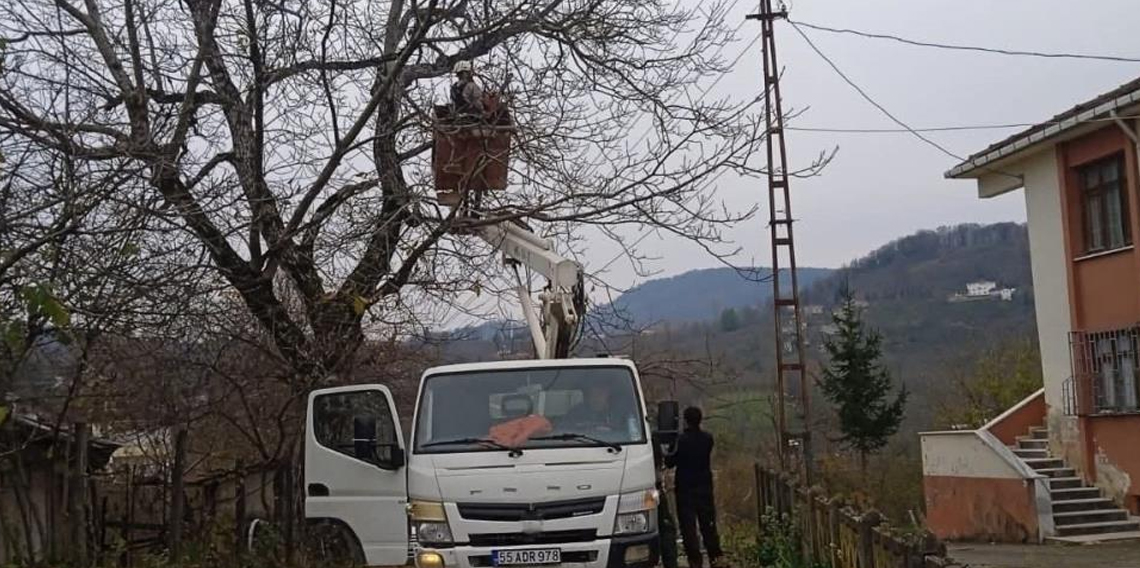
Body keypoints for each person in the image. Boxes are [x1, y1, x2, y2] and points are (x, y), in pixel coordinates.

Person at [664, 406, 723, 568]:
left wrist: (670, 445)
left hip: (685, 489)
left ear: (686, 420)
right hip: (704, 487)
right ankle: (715, 557)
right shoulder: (708, 439)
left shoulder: (681, 440)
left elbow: (669, 462)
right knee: (708, 524)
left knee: (688, 527)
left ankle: (695, 560)